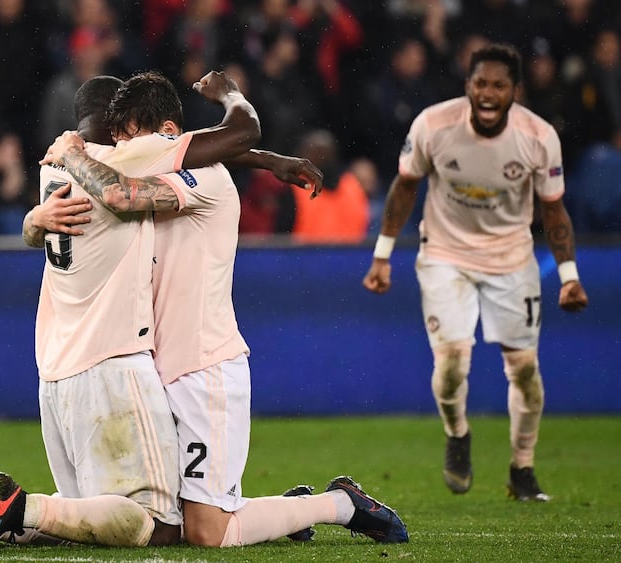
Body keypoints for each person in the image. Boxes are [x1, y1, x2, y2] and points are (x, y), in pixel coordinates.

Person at [0, 71, 262, 553]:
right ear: (121, 126)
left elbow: (37, 228)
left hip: (54, 373)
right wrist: (242, 117)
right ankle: (17, 503)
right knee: (158, 524)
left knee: (81, 523)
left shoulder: (51, 167)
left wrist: (33, 220)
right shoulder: (123, 159)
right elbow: (224, 140)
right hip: (113, 364)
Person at [38, 71, 409, 547]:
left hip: (202, 369)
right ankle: (289, 511)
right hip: (152, 373)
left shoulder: (196, 177)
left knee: (207, 533)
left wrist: (233, 100)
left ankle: (339, 504)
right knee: (156, 519)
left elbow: (131, 190)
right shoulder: (154, 161)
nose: (120, 145)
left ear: (163, 130)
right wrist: (36, 219)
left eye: (128, 133)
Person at [362, 43, 589, 501]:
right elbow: (405, 186)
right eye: (480, 83)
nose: (488, 94)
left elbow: (554, 209)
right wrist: (382, 255)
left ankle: (522, 469)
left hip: (511, 258)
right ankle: (458, 434)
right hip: (446, 253)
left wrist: (569, 275)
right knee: (450, 367)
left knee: (524, 371)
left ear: (514, 91)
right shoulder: (433, 124)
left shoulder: (538, 136)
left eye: (498, 85)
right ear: (468, 86)